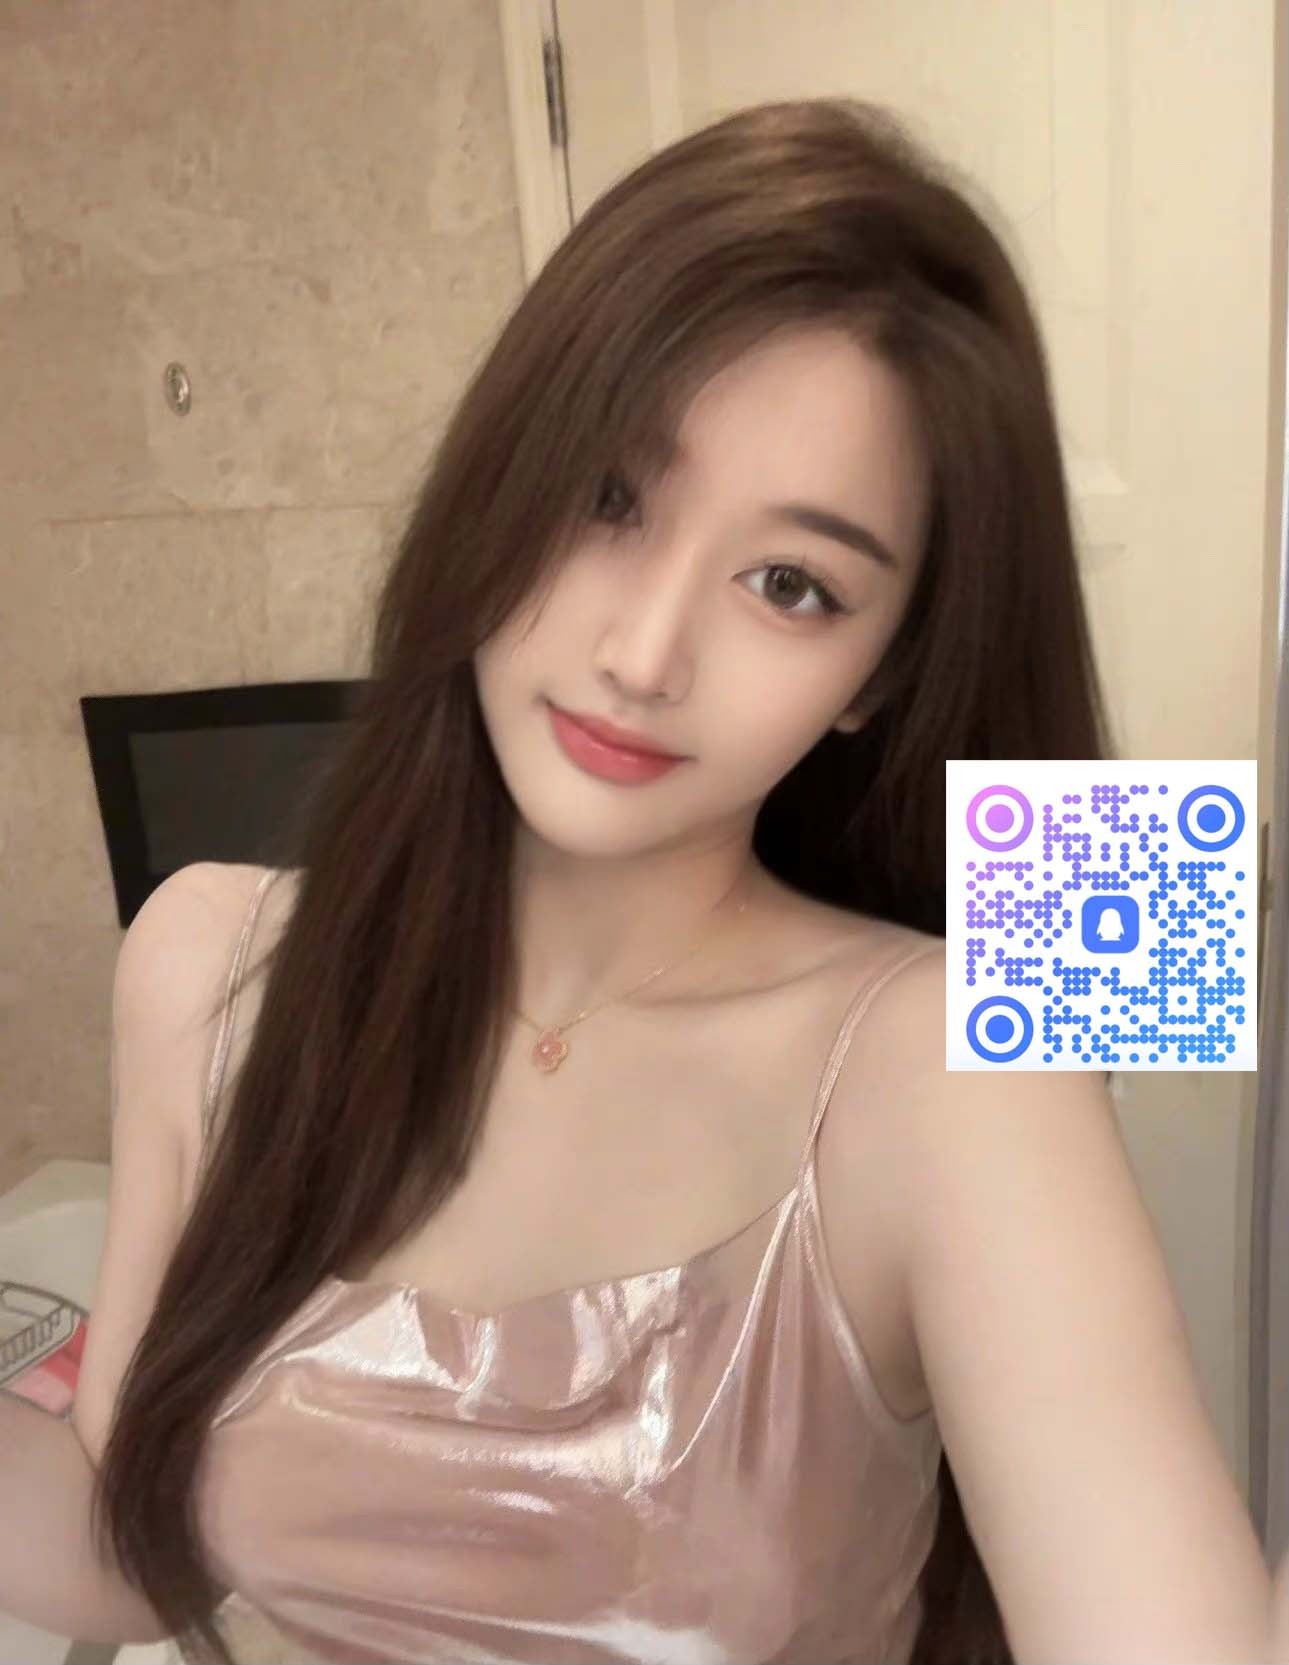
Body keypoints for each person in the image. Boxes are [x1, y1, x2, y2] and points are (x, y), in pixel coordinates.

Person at [1, 97, 1283, 1664]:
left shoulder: (953, 1061)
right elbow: (126, 1554)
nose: (643, 651)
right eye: (607, 496)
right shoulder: (204, 958)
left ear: (880, 673)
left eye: (789, 583)